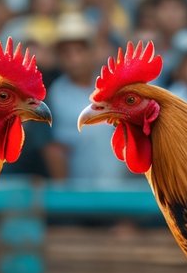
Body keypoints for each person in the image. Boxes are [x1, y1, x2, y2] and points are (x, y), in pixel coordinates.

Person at [47, 13, 128, 185]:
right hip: (79, 191)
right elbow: (57, 149)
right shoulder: (56, 93)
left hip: (121, 187)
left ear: (92, 52)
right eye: (67, 53)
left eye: (79, 51)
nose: (74, 59)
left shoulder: (112, 87)